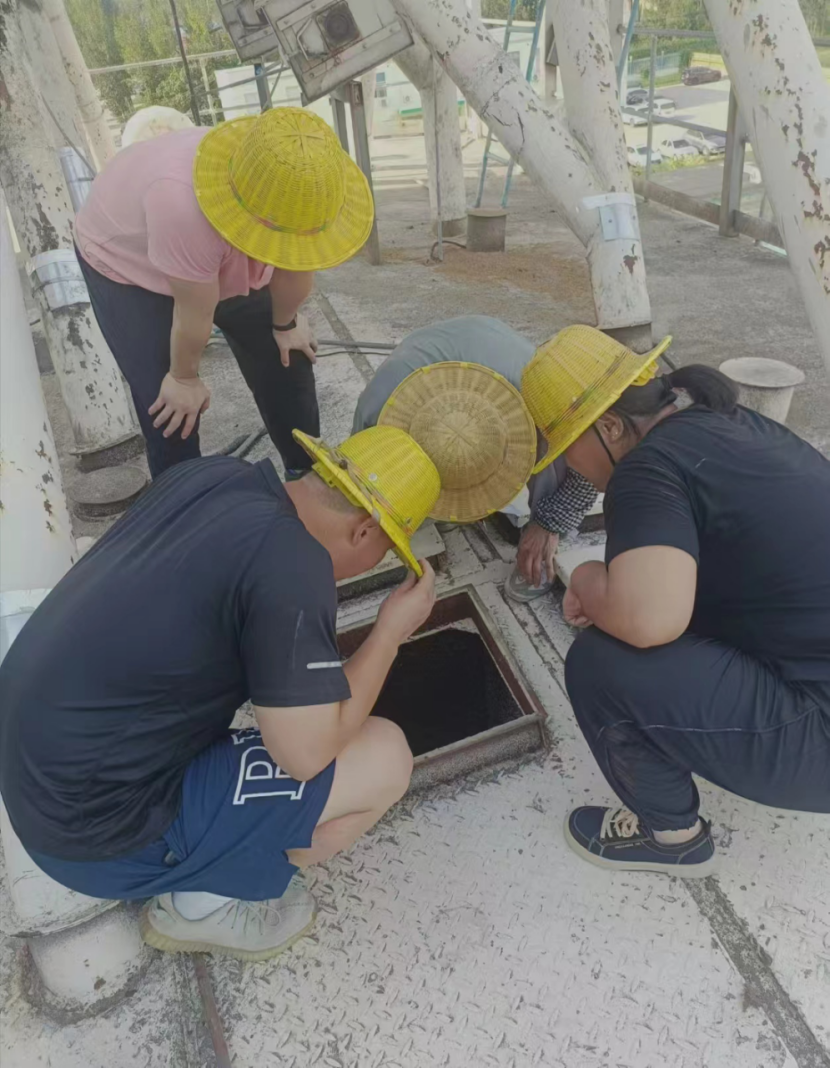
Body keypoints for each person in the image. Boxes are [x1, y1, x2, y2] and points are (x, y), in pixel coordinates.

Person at [0, 426, 440, 960]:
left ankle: (212, 854)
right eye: (386, 552)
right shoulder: (294, 564)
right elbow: (304, 756)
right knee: (386, 758)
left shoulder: (215, 476)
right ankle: (202, 906)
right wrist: (389, 633)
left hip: (36, 770)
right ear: (364, 530)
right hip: (94, 835)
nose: (376, 564)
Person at [523, 325, 829, 875]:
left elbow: (648, 620)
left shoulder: (646, 468)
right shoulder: (731, 422)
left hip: (821, 736)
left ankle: (672, 838)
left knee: (601, 662)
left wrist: (589, 581)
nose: (568, 468)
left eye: (567, 451)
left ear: (609, 427)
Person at [73, 107, 374, 479]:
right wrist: (184, 378)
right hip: (126, 261)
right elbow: (193, 313)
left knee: (287, 355)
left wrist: (286, 324)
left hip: (204, 246)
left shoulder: (302, 189)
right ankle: (188, 500)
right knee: (171, 406)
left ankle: (306, 476)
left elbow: (298, 266)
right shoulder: (183, 205)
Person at [353, 316, 599, 599]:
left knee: (555, 459)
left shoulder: (542, 397)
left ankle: (541, 547)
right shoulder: (375, 417)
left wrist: (549, 524)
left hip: (487, 348)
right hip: (456, 343)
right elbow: (359, 490)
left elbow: (592, 463)